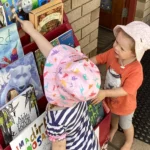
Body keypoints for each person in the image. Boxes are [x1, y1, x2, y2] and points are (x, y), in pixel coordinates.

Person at [16, 17, 101, 150]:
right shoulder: (78, 92)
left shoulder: (56, 118)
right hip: (91, 144)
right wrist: (31, 31)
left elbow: (59, 147)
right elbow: (51, 53)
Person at [90, 21, 150, 150]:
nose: (116, 47)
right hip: (111, 99)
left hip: (125, 105)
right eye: (116, 42)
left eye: (122, 48)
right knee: (113, 116)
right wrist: (87, 63)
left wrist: (105, 93)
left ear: (134, 54)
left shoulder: (136, 70)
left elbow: (125, 90)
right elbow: (100, 58)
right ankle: (113, 128)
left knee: (126, 124)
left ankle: (129, 141)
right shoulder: (113, 53)